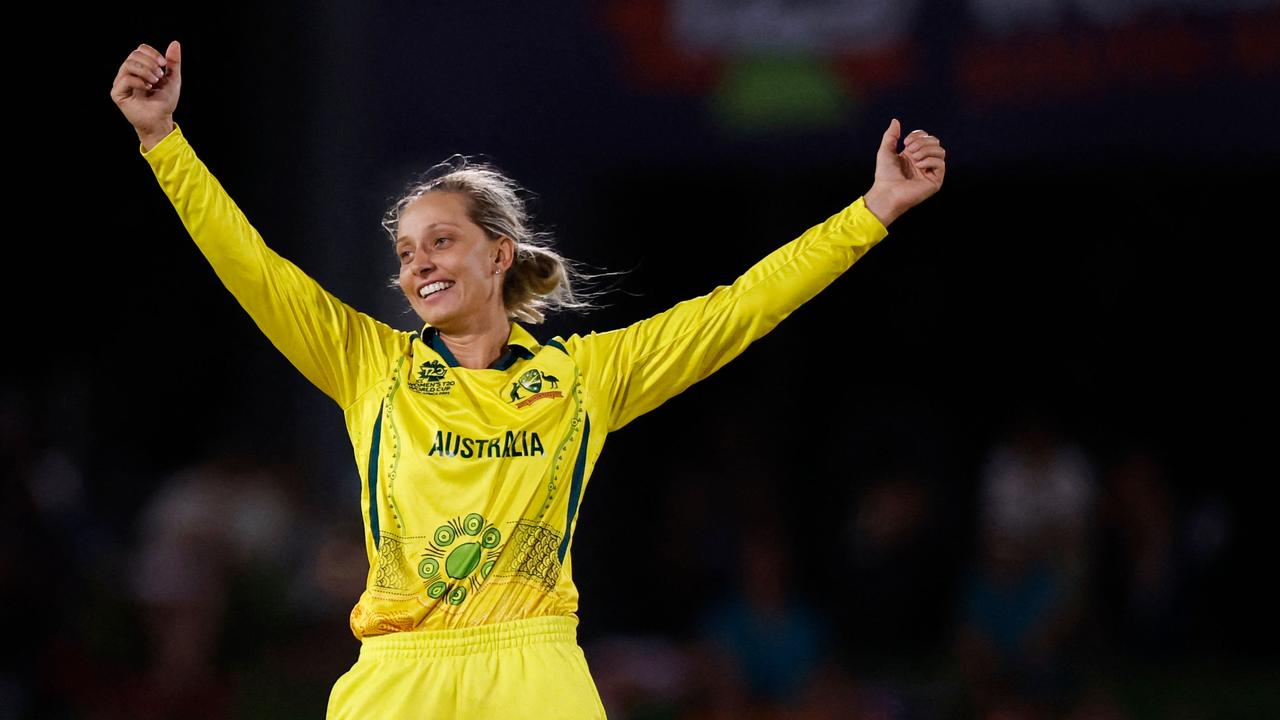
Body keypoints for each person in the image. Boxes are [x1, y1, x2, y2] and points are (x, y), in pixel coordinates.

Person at [111, 39, 946, 719]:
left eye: (439, 240)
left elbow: (741, 309)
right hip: (400, 674)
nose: (418, 264)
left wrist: (869, 212)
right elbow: (250, 267)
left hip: (535, 666)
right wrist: (162, 141)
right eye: (405, 253)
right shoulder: (369, 363)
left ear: (499, 253)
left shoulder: (586, 376)